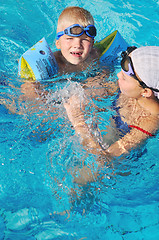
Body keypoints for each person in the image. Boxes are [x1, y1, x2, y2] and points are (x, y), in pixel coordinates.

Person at [64, 46, 159, 158]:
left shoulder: (149, 123)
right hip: (108, 131)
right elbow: (97, 89)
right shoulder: (129, 90)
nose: (118, 75)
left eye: (124, 77)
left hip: (123, 163)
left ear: (146, 91)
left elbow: (105, 159)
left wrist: (78, 122)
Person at [54, 6, 100, 74]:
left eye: (84, 39)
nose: (78, 45)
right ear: (58, 43)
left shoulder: (95, 56)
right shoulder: (53, 63)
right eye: (70, 38)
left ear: (92, 43)